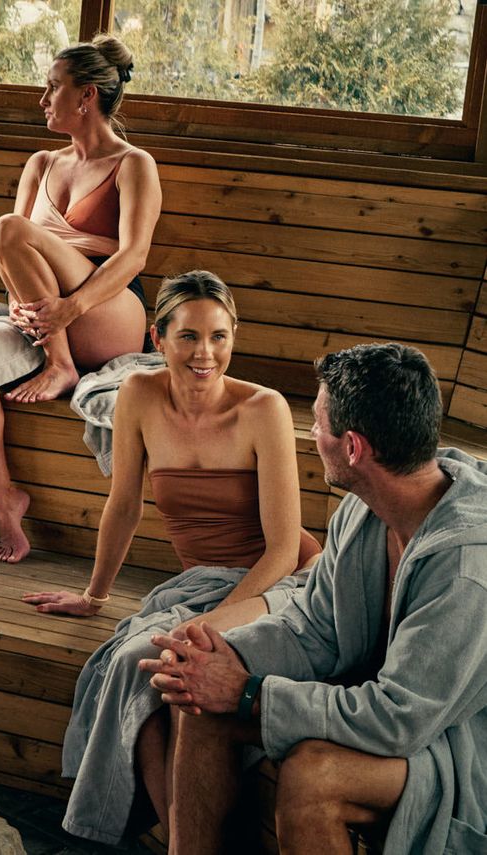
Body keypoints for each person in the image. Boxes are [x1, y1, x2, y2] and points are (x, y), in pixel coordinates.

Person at [140, 342, 487, 855]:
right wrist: (224, 653)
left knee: (312, 776)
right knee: (200, 696)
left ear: (353, 448)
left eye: (319, 423)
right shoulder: (363, 509)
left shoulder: (466, 567)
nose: (310, 434)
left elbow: (400, 719)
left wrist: (248, 691)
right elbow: (315, 625)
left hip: (454, 740)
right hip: (395, 712)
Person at [22, 271, 321, 846]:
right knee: (143, 678)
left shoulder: (265, 409)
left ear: (234, 338)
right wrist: (94, 596)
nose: (205, 353)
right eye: (188, 336)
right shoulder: (139, 394)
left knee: (151, 656)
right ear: (157, 339)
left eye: (219, 336)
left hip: (280, 583)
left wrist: (207, 625)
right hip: (201, 584)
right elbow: (124, 504)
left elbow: (284, 549)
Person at [0, 34, 161, 563]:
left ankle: (61, 366)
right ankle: (5, 504)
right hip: (44, 321)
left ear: (86, 96)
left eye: (53, 87)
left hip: (106, 314)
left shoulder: (133, 165)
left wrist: (73, 305)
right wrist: (17, 302)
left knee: (9, 228)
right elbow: (14, 259)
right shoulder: (40, 163)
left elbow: (133, 258)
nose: (43, 99)